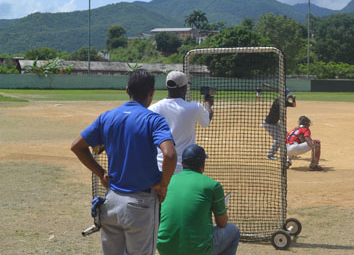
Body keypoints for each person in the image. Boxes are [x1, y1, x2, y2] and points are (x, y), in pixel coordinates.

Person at [71, 69, 177, 255]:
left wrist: (101, 173)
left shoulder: (107, 117)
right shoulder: (154, 120)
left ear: (127, 90)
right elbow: (169, 155)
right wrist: (163, 184)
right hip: (141, 204)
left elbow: (77, 146)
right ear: (151, 92)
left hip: (111, 201)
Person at [157, 144, 240, 255]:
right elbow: (222, 223)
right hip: (198, 250)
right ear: (203, 164)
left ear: (182, 164)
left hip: (164, 248)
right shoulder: (213, 185)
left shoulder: (167, 181)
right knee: (233, 230)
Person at [149, 70, 214, 173]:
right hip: (185, 167)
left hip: (161, 166)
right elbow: (206, 122)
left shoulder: (153, 108)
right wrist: (208, 105)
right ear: (184, 88)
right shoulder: (194, 107)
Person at [263, 89, 296, 160]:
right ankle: (269, 155)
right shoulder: (277, 101)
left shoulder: (284, 102)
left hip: (275, 123)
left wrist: (293, 99)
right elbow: (280, 104)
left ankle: (286, 151)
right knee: (279, 139)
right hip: (269, 124)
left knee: (287, 135)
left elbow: (294, 105)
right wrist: (287, 98)